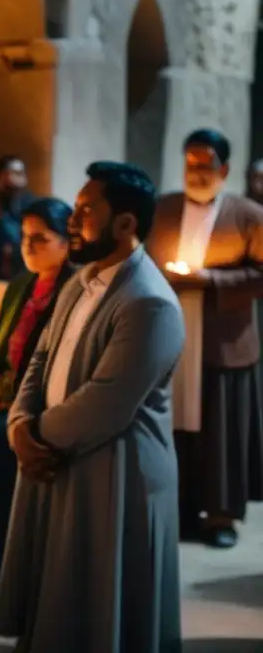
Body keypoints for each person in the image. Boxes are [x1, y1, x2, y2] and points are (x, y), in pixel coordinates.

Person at [0, 161, 184, 653]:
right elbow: (40, 358)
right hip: (60, 454)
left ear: (125, 223)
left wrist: (36, 439)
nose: (73, 221)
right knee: (58, 593)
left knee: (104, 610)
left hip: (117, 470)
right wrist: (18, 423)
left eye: (85, 210)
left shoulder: (150, 302)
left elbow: (107, 401)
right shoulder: (78, 282)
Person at [146, 129, 263, 548]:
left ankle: (220, 515)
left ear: (225, 169)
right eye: (191, 164)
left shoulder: (249, 214)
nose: (196, 172)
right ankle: (178, 507)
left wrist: (210, 279)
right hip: (173, 331)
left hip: (222, 335)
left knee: (220, 428)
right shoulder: (164, 209)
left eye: (206, 165)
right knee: (175, 425)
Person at [0, 197, 74, 593]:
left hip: (41, 408)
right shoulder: (22, 285)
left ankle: (8, 572)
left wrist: (22, 406)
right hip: (6, 402)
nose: (28, 246)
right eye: (25, 237)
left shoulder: (74, 289)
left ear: (67, 242)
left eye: (41, 238)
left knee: (4, 451)